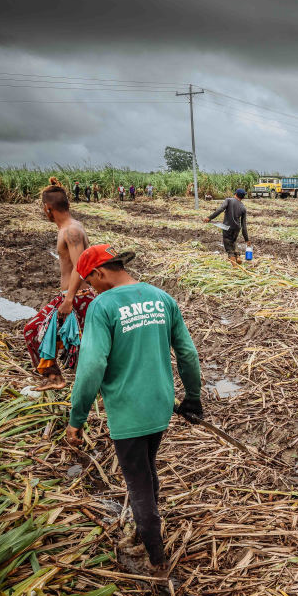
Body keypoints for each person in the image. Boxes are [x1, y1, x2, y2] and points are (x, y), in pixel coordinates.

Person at [65, 244, 202, 574]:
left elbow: (92, 365)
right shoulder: (161, 298)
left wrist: (77, 418)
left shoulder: (103, 306)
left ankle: (156, 558)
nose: (89, 288)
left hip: (128, 411)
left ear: (100, 272)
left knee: (137, 483)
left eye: (88, 282)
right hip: (159, 407)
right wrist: (193, 397)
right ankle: (151, 524)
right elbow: (188, 353)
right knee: (147, 466)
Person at [21, 180, 94, 390]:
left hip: (78, 297)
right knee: (82, 343)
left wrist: (68, 299)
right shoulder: (70, 228)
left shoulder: (71, 231)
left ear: (48, 208)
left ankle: (54, 378)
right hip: (74, 295)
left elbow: (80, 266)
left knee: (32, 330)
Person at [202, 188, 249, 268]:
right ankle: (238, 256)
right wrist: (246, 239)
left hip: (227, 228)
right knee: (233, 242)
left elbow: (220, 209)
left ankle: (235, 266)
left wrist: (210, 218)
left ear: (235, 194)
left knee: (228, 246)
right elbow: (244, 225)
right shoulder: (243, 207)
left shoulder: (229, 200)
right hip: (237, 228)